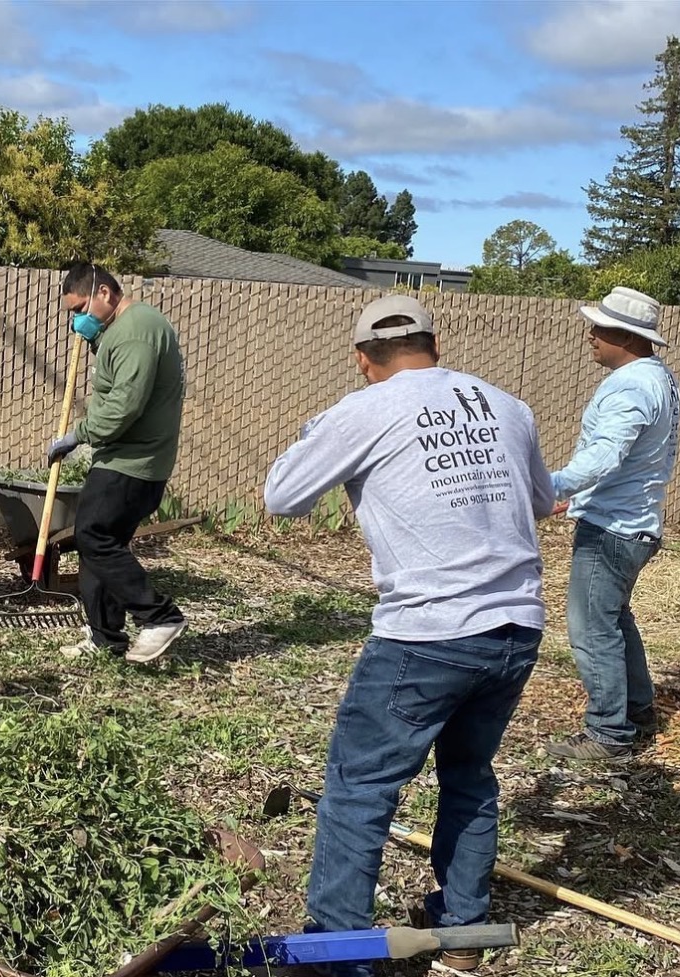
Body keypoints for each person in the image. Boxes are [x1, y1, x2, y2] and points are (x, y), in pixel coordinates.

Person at [262, 295, 554, 977]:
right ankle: (464, 930)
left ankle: (336, 955)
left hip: (427, 634)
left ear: (363, 360)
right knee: (469, 774)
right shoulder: (508, 407)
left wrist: (321, 429)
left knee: (360, 789)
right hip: (515, 628)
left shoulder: (365, 409)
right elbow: (543, 501)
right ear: (435, 344)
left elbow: (282, 495)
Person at [544, 287, 680, 763]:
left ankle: (608, 733)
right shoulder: (658, 377)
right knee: (616, 620)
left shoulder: (630, 386)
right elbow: (633, 460)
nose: (591, 335)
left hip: (613, 529)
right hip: (634, 523)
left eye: (599, 328)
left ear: (625, 336)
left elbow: (605, 456)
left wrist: (548, 487)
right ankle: (637, 710)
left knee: (591, 629)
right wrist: (578, 497)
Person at [49, 262, 187, 664]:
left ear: (104, 293)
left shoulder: (136, 332)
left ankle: (159, 616)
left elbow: (124, 405)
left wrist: (78, 434)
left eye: (80, 309)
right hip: (122, 455)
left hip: (133, 460)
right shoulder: (122, 330)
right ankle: (105, 635)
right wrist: (98, 340)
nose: (77, 320)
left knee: (92, 535)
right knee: (100, 545)